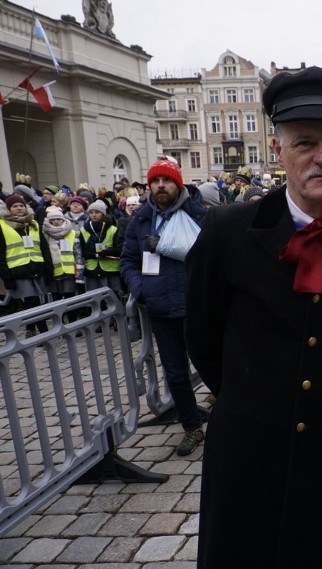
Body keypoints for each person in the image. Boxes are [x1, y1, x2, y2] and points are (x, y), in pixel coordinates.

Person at [184, 66, 322, 569]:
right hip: (247, 453)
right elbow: (202, 334)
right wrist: (256, 396)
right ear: (278, 150)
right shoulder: (228, 230)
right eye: (305, 142)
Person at [121, 158, 206, 456]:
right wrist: (139, 288)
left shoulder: (198, 213)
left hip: (197, 305)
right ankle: (191, 425)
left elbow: (213, 255)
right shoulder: (141, 219)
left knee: (213, 364)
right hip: (160, 307)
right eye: (155, 181)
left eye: (166, 181)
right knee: (176, 373)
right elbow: (128, 260)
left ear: (177, 184)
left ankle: (228, 416)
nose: (160, 186)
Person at [0, 194, 49, 337]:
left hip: (36, 267)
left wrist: (48, 268)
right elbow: (1, 253)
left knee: (33, 301)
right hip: (18, 270)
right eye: (15, 206)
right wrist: (6, 277)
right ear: (8, 209)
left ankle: (31, 329)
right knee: (32, 301)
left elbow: (43, 247)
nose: (19, 208)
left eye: (21, 205)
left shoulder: (33, 223)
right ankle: (43, 331)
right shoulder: (2, 225)